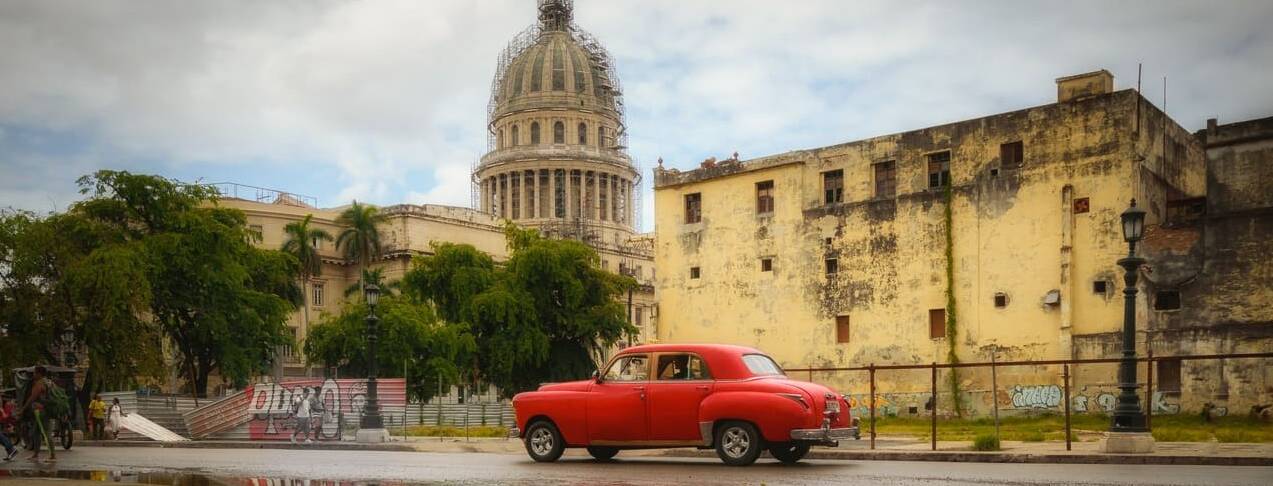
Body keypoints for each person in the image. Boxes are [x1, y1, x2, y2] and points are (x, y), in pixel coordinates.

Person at [18, 366, 55, 461]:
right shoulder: (48, 381)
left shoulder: (40, 383)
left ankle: (52, 456)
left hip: (41, 412)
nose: (33, 375)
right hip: (44, 410)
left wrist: (22, 409)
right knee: (36, 432)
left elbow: (32, 398)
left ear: (39, 374)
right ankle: (36, 454)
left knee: (46, 433)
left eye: (35, 373)